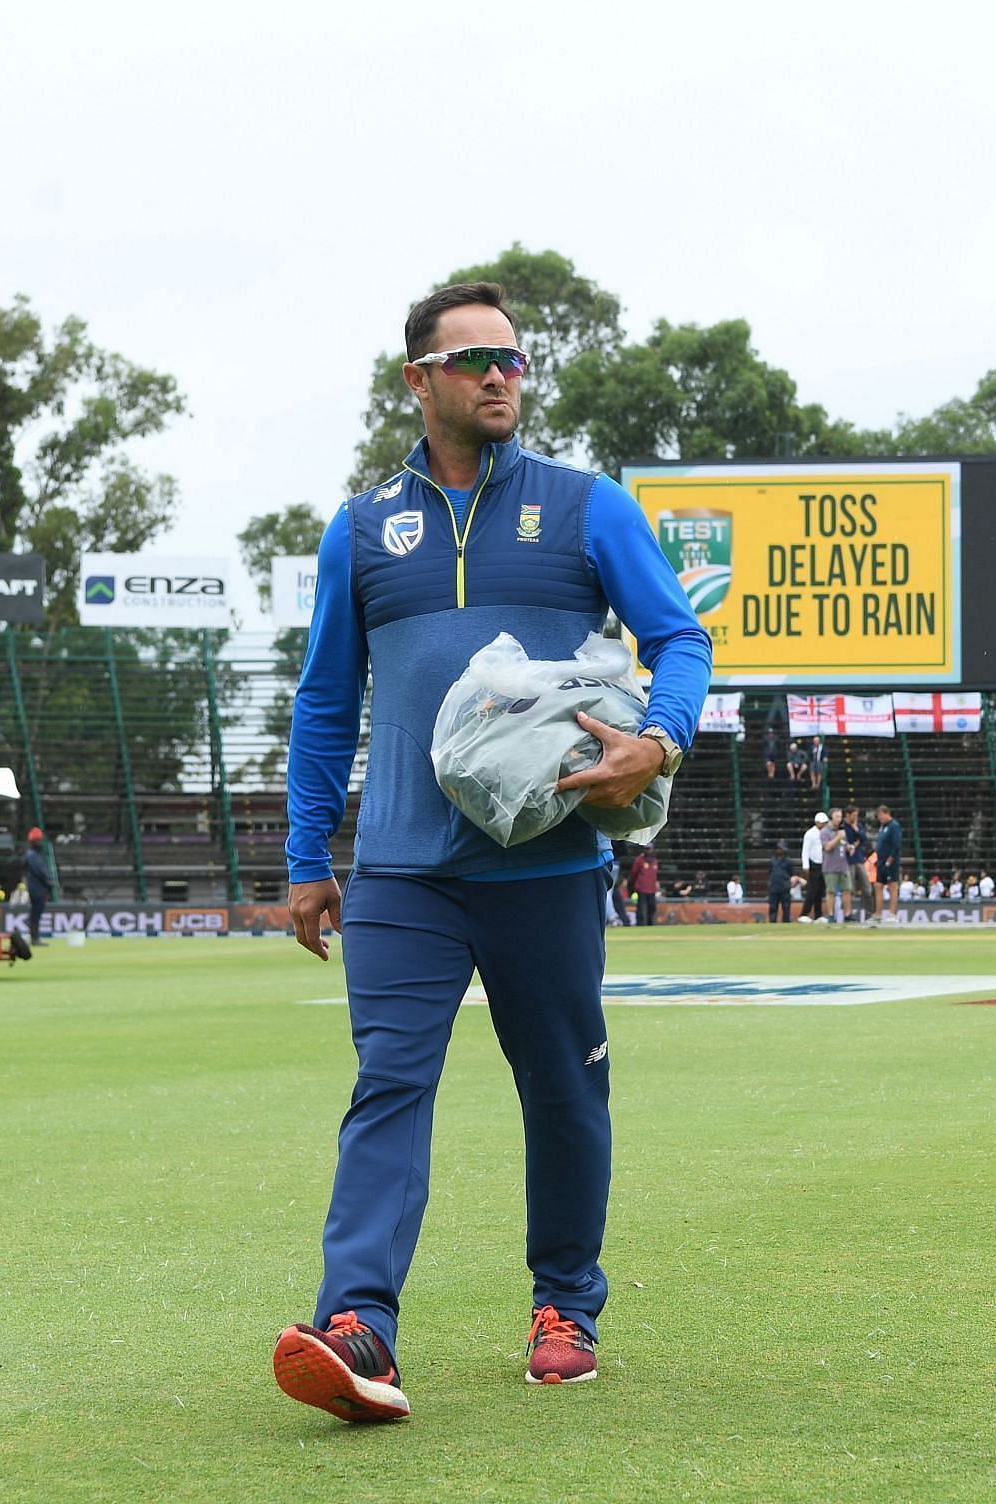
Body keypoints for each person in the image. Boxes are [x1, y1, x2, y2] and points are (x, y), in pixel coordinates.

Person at [275, 281, 711, 1421]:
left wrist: (655, 744)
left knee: (565, 1092)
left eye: (515, 360)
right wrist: (306, 855)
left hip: (549, 866)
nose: (502, 377)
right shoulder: (363, 528)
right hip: (404, 872)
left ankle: (566, 1302)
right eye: (476, 360)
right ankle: (358, 1323)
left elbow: (678, 635)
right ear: (421, 380)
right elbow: (326, 701)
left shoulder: (587, 508)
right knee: (388, 1087)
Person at [22, 827, 56, 946]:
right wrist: (49, 881)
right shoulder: (33, 856)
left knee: (36, 913)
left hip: (37, 888)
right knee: (36, 913)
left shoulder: (32, 855)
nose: (40, 843)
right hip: (37, 889)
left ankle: (33, 934)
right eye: (38, 840)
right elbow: (40, 871)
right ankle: (34, 937)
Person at [872, 804, 903, 924]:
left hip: (890, 862)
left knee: (892, 886)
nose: (879, 818)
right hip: (880, 861)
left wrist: (890, 859)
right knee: (878, 886)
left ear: (886, 813)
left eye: (880, 815)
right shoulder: (882, 827)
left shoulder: (894, 826)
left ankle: (892, 914)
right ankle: (878, 913)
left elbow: (897, 844)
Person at [821, 812, 851, 924]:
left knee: (847, 890)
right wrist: (838, 837)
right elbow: (827, 847)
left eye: (840, 816)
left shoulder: (842, 831)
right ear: (831, 818)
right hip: (830, 867)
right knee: (830, 891)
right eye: (837, 817)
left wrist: (849, 847)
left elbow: (844, 844)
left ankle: (847, 914)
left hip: (843, 865)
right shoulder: (825, 832)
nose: (840, 819)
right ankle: (830, 915)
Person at [800, 810, 827, 922]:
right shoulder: (810, 834)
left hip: (823, 864)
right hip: (813, 864)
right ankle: (804, 913)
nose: (823, 825)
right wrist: (805, 866)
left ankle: (818, 914)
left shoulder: (827, 833)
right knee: (812, 889)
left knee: (820, 890)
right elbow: (805, 851)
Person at [629, 845, 661, 927]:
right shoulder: (639, 860)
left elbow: (655, 874)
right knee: (641, 907)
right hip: (641, 887)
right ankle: (640, 924)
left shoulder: (654, 861)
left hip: (652, 888)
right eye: (646, 849)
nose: (648, 851)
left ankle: (650, 924)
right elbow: (634, 873)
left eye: (649, 849)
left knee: (652, 907)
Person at [767, 844, 792, 924]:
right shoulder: (772, 861)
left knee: (786, 906)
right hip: (774, 887)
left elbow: (791, 873)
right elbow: (770, 872)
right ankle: (772, 921)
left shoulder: (788, 861)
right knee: (773, 906)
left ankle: (786, 921)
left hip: (784, 886)